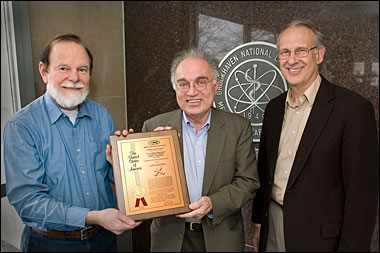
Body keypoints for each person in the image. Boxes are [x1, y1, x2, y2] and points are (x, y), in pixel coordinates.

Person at [3, 34, 141, 252]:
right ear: (44, 71)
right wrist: (93, 217)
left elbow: (106, 176)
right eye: (63, 68)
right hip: (50, 243)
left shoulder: (101, 116)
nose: (74, 77)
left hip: (103, 240)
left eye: (82, 69)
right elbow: (28, 203)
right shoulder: (22, 126)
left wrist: (124, 164)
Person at [251, 20, 379, 252]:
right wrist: (259, 222)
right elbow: (265, 173)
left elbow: (362, 197)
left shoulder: (352, 110)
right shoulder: (273, 108)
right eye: (285, 52)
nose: (292, 60)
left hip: (322, 240)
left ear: (319, 55)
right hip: (273, 231)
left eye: (301, 50)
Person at [141, 48, 260, 251]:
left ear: (216, 86)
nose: (192, 92)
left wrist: (213, 203)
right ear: (175, 88)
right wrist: (146, 154)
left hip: (221, 238)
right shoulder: (154, 127)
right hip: (169, 239)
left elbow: (248, 182)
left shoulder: (237, 127)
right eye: (183, 84)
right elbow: (142, 187)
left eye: (201, 82)